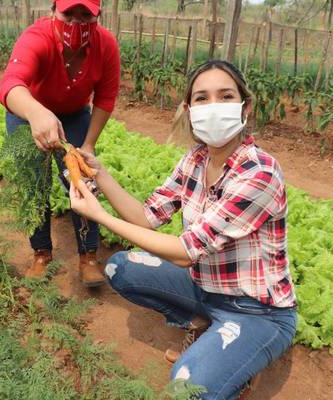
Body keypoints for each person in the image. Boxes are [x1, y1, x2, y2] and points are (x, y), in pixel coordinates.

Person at [69, 60, 297, 399]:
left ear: (244, 106)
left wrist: (100, 216)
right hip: (205, 288)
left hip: (258, 311)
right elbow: (146, 217)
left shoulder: (259, 174)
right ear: (189, 110)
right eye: (202, 99)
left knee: (187, 386)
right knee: (121, 267)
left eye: (225, 96)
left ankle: (238, 365)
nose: (213, 107)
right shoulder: (195, 160)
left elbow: (184, 252)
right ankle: (203, 324)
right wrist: (99, 174)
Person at [0, 0, 120, 287]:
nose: (77, 23)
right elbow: (10, 85)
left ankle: (88, 256)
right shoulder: (37, 37)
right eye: (69, 14)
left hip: (76, 115)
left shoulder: (106, 45)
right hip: (28, 113)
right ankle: (41, 253)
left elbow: (105, 98)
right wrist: (36, 112)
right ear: (54, 11)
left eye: (85, 15)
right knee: (34, 184)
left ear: (97, 16)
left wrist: (88, 145)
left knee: (82, 181)